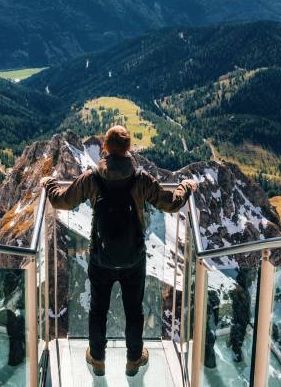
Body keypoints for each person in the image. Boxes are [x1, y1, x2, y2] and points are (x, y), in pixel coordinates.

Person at [40, 125, 198, 377]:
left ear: (105, 148)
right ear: (129, 150)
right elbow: (171, 204)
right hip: (133, 259)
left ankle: (97, 359)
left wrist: (49, 183)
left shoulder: (92, 178)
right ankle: (134, 359)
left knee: (97, 309)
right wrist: (186, 187)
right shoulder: (141, 180)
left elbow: (61, 201)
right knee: (134, 310)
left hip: (100, 258)